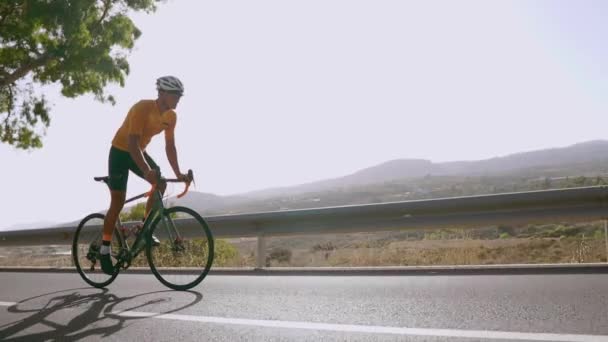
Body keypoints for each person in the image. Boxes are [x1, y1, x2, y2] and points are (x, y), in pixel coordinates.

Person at [100, 76, 189, 275]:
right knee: (118, 201)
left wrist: (178, 173)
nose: (178, 98)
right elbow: (132, 144)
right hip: (121, 152)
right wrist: (146, 170)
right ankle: (104, 249)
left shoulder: (171, 117)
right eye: (175, 94)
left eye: (179, 95)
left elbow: (170, 146)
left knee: (162, 183)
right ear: (163, 93)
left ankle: (144, 229)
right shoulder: (142, 108)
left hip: (138, 151)